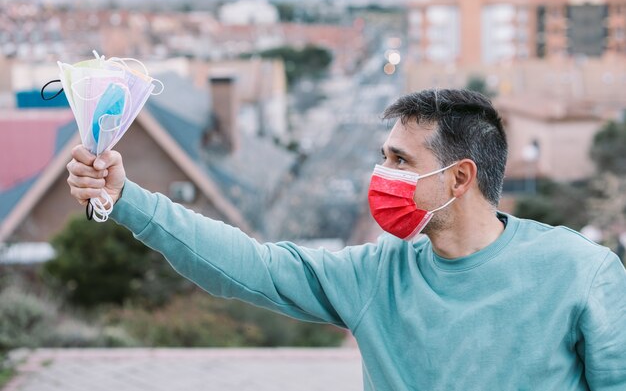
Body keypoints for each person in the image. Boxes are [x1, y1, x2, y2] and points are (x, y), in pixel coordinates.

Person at [66, 89, 626, 391]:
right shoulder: (376, 275)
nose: (381, 175)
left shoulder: (581, 272)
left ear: (460, 178)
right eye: (383, 157)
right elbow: (251, 267)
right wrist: (127, 198)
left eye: (400, 161)